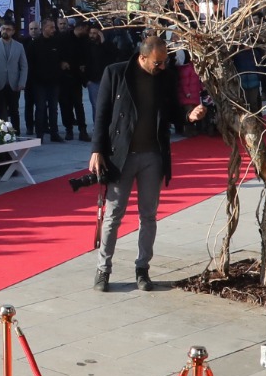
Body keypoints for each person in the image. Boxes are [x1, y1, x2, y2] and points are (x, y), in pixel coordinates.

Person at [87, 31, 208, 292]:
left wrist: (190, 116)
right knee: (114, 214)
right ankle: (103, 269)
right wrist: (97, 149)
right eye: (158, 62)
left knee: (148, 215)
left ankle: (143, 269)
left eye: (165, 62)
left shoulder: (165, 77)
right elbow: (102, 114)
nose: (163, 66)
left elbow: (174, 111)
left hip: (153, 155)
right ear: (143, 57)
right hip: (121, 156)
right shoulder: (116, 73)